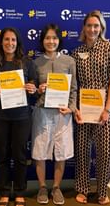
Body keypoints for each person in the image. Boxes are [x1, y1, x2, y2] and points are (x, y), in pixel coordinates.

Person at [71, 10, 110, 205]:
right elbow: (75, 84)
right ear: (84, 28)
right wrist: (76, 109)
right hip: (83, 109)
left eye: (96, 26)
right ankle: (83, 189)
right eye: (89, 25)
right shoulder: (76, 53)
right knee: (83, 149)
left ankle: (102, 191)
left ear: (101, 28)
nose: (92, 29)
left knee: (106, 150)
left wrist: (107, 109)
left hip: (104, 108)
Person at [0, 27, 37, 206]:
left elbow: (33, 87)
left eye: (13, 40)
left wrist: (32, 89)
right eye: (6, 40)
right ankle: (5, 191)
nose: (10, 43)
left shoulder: (27, 63)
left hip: (22, 117)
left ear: (18, 43)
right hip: (1, 117)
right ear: (1, 42)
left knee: (20, 155)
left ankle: (20, 191)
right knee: (3, 155)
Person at [31, 24, 77, 205]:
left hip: (62, 113)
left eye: (54, 38)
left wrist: (71, 108)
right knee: (40, 151)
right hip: (42, 112)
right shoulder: (35, 63)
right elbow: (31, 89)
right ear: (42, 41)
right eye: (47, 38)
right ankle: (42, 186)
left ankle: (56, 188)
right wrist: (38, 89)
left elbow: (74, 89)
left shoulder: (69, 61)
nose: (51, 41)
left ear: (59, 40)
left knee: (61, 151)